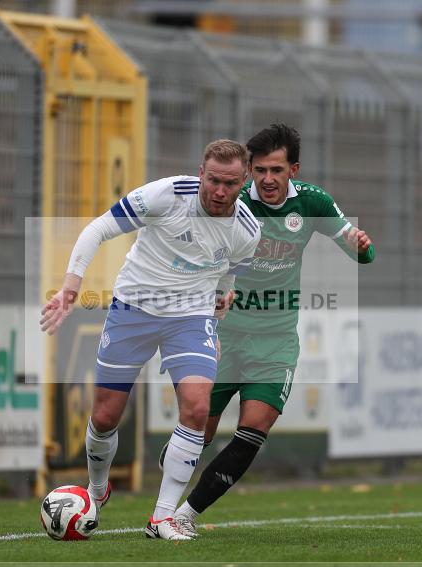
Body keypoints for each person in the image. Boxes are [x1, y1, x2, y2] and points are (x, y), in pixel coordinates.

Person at [41, 139, 260, 541]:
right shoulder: (167, 195)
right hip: (133, 309)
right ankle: (95, 490)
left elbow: (229, 271)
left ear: (244, 181)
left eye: (230, 183)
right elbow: (100, 227)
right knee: (105, 416)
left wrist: (219, 305)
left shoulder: (247, 229)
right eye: (213, 180)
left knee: (196, 408)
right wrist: (71, 287)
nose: (219, 191)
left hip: (190, 318)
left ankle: (162, 519)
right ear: (201, 173)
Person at [170, 124, 375, 536]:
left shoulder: (312, 202)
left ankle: (183, 515)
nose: (266, 179)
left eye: (275, 170)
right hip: (224, 333)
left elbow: (359, 250)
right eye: (259, 170)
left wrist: (362, 246)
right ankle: (169, 479)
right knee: (199, 430)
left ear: (292, 171)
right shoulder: (234, 200)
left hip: (276, 339)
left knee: (253, 430)